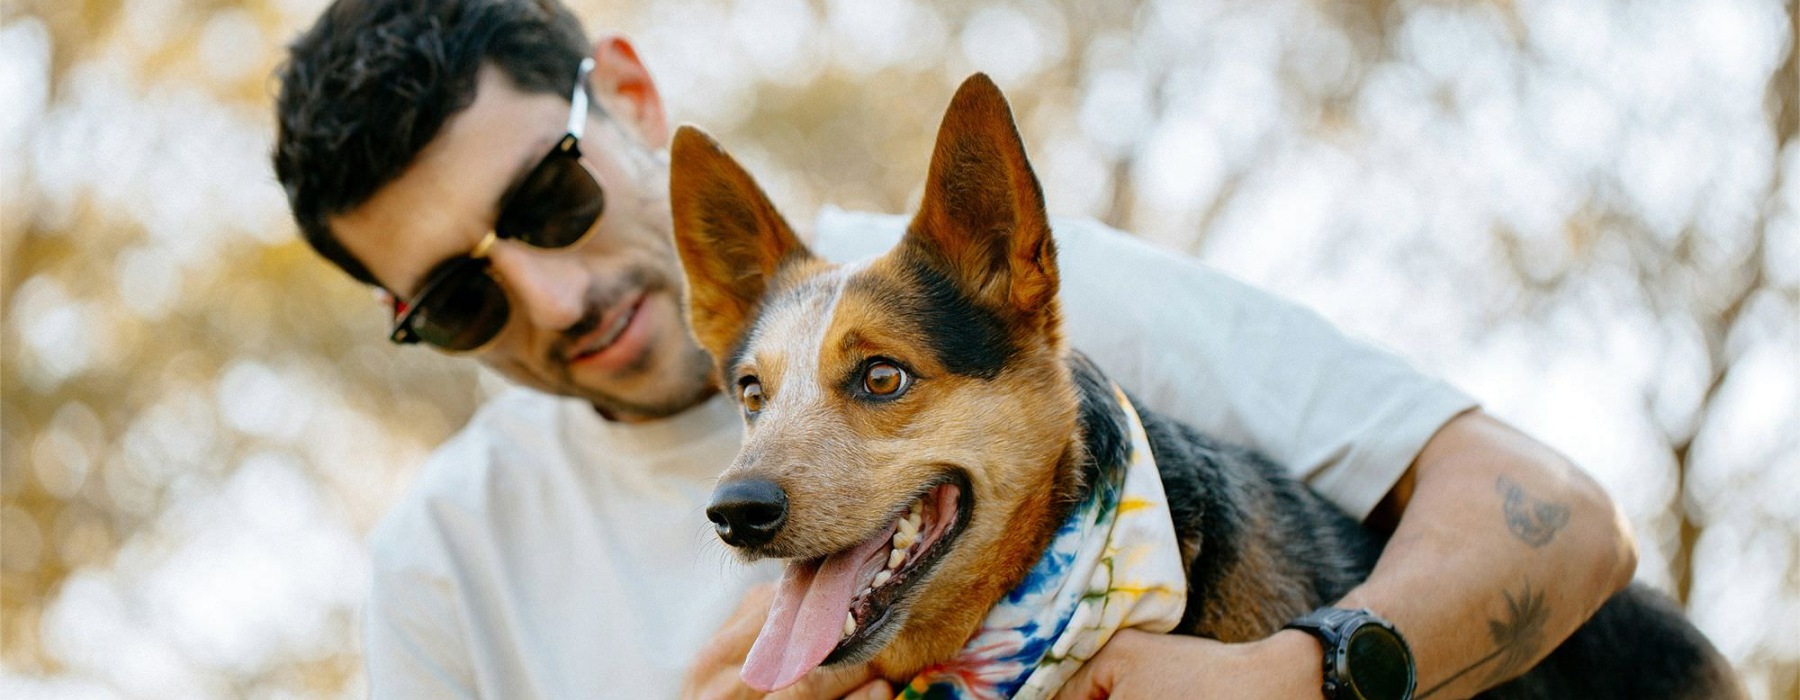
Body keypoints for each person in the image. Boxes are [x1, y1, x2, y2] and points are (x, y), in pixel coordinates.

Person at [270, 0, 1638, 698]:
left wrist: (1297, 676)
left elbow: (1565, 520)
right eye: (457, 297)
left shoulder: (1006, 295)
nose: (555, 297)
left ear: (626, 93)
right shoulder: (443, 568)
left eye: (548, 196)